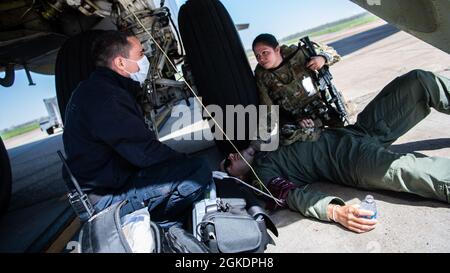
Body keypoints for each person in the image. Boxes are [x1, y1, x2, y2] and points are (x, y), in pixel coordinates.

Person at [221, 69, 450, 233]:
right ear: (240, 177)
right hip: (351, 161)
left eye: (229, 155)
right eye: (228, 164)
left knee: (418, 82)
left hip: (359, 131)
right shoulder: (263, 174)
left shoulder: (265, 144)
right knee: (411, 170)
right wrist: (335, 212)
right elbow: (293, 197)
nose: (231, 156)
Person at [63, 30, 211, 229]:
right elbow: (145, 153)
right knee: (197, 171)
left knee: (180, 169)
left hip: (109, 185)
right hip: (107, 200)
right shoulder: (107, 97)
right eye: (141, 54)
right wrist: (187, 163)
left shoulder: (92, 89)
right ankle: (164, 229)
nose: (145, 60)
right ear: (121, 63)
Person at [252, 33, 354, 145]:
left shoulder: (298, 53)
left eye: (265, 52)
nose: (261, 58)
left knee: (346, 137)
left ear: (277, 49)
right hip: (300, 122)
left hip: (325, 108)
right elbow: (268, 109)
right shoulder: (262, 76)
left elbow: (333, 53)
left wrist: (322, 58)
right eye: (257, 56)